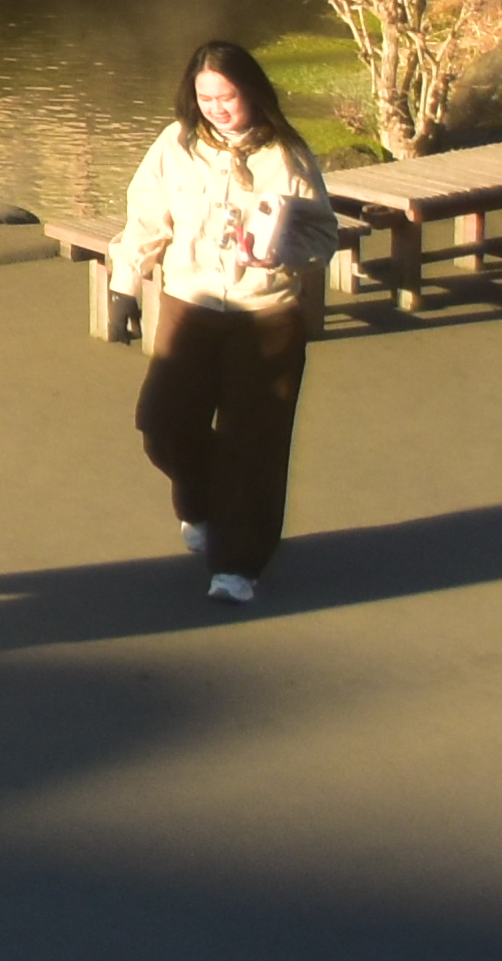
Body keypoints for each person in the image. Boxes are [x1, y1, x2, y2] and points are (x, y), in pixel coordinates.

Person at [110, 37, 332, 606]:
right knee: (161, 424)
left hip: (267, 312)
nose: (216, 107)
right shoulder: (176, 144)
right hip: (192, 303)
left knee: (253, 444)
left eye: (226, 95)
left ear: (252, 94)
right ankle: (203, 499)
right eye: (205, 96)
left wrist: (279, 248)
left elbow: (322, 235)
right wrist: (125, 286)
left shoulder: (286, 154)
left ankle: (238, 565)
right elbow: (145, 218)